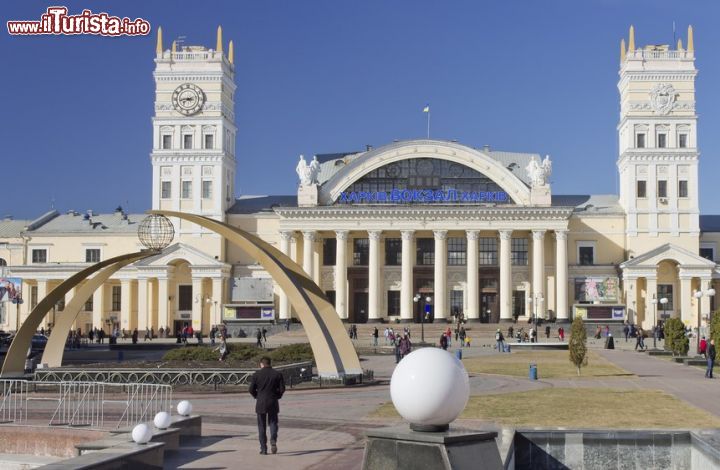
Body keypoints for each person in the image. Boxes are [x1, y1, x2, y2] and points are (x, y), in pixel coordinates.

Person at [249, 356, 286, 455]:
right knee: (273, 422)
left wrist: (257, 396)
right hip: (273, 401)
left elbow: (251, 389)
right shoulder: (277, 374)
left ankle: (263, 449)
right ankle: (273, 439)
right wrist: (277, 396)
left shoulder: (256, 375)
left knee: (261, 426)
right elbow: (282, 389)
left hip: (260, 402)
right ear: (270, 363)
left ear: (261, 364)